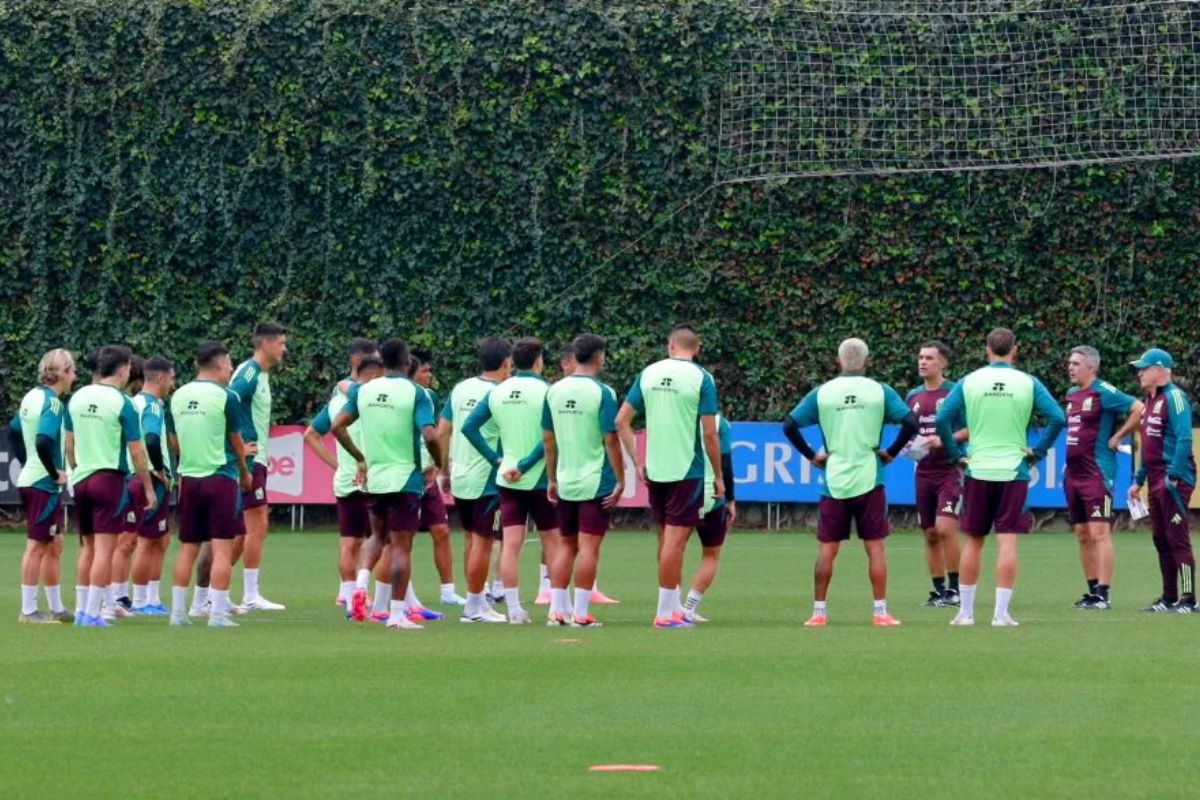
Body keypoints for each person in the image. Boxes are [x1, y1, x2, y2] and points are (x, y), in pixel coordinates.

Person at [936, 328, 1066, 627]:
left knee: (974, 540)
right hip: (1013, 470)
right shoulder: (1027, 382)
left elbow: (943, 418)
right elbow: (1058, 417)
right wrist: (1039, 451)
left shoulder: (970, 381)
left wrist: (956, 455)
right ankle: (1000, 614)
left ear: (987, 350)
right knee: (1007, 541)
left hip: (978, 468)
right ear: (1014, 350)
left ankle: (966, 613)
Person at [783, 338, 918, 627]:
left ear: (838, 360)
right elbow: (911, 423)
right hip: (871, 477)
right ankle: (880, 612)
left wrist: (812, 456)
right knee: (876, 548)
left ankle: (819, 613)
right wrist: (891, 453)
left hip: (834, 480)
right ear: (867, 362)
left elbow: (789, 425)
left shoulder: (824, 393)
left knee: (827, 549)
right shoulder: (880, 391)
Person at [331, 338, 445, 631]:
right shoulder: (417, 393)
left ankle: (359, 585)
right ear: (407, 362)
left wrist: (359, 457)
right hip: (405, 477)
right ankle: (396, 615)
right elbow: (431, 435)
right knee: (402, 548)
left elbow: (337, 426)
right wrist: (438, 462)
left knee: (377, 538)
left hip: (375, 478)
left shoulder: (365, 390)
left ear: (381, 362)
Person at [615, 324, 723, 629]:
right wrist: (718, 475)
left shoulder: (649, 373)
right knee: (676, 542)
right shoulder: (702, 377)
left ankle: (672, 606)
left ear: (670, 345)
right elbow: (710, 433)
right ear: (696, 348)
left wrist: (637, 461)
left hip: (656, 469)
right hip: (687, 469)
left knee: (666, 541)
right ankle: (665, 614)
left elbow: (621, 420)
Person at [463, 337, 559, 624]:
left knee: (511, 544)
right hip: (539, 478)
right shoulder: (547, 391)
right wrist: (527, 465)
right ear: (539, 360)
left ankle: (515, 610)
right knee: (553, 542)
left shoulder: (498, 391)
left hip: (507, 479)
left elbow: (470, 427)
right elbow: (550, 438)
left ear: (513, 362)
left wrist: (498, 461)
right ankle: (558, 608)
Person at [65, 345, 156, 627]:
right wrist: (148, 487)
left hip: (82, 479)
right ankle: (92, 613)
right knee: (105, 550)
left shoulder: (77, 397)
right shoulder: (123, 402)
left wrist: (77, 466)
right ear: (123, 369)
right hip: (109, 479)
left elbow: (69, 442)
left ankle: (81, 610)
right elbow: (137, 451)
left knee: (87, 548)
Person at [169, 342, 254, 627]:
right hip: (220, 476)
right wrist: (244, 472)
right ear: (219, 365)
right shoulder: (227, 397)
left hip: (189, 479)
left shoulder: (178, 395)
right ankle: (217, 614)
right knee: (221, 548)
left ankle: (178, 614)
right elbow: (236, 441)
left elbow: (173, 440)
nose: (232, 369)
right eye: (230, 363)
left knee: (188, 548)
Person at [543, 334, 625, 628]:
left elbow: (548, 440)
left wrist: (551, 478)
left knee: (566, 546)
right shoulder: (603, 393)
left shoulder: (554, 391)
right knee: (589, 547)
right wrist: (620, 479)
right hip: (594, 481)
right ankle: (580, 613)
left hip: (565, 479)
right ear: (599, 357)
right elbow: (611, 439)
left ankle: (556, 611)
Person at [304, 340, 384, 620]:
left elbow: (311, 434)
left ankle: (351, 599)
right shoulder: (372, 397)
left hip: (347, 481)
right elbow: (311, 435)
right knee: (382, 540)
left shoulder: (339, 399)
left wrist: (338, 466)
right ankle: (383, 601)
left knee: (350, 541)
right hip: (375, 479)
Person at [438, 338, 511, 623]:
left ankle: (477, 602)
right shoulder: (501, 393)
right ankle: (473, 607)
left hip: (461, 476)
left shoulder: (461, 388)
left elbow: (443, 430)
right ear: (506, 362)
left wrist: (444, 469)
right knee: (484, 542)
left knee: (472, 539)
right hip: (487, 480)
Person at [1063, 345, 1141, 610]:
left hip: (1098, 472)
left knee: (1100, 532)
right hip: (1072, 474)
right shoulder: (1072, 394)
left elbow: (1139, 408)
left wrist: (1118, 437)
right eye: (1070, 363)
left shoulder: (1103, 391)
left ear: (1092, 367)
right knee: (1083, 533)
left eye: (1076, 363)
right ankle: (1093, 591)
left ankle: (1105, 594)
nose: (1071, 367)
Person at [1125, 348, 1196, 612]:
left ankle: (1189, 600)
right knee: (1161, 538)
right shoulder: (1150, 401)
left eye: (1144, 368)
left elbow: (1185, 438)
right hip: (1155, 479)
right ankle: (1169, 598)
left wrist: (1174, 476)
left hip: (1172, 480)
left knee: (1177, 538)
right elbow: (1149, 448)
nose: (1140, 373)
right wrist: (1138, 480)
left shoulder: (1175, 398)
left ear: (1160, 370)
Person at [11, 349, 76, 623]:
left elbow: (14, 431)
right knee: (37, 545)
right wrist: (54, 473)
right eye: (72, 370)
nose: (75, 376)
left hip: (33, 478)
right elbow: (43, 441)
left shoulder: (31, 396)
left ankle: (57, 607)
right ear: (62, 373)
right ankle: (28, 610)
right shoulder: (53, 403)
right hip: (42, 484)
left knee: (54, 543)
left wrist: (29, 463)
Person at [229, 321, 289, 610]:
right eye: (281, 343)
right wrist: (239, 445)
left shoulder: (260, 374)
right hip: (249, 460)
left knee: (252, 528)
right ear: (265, 344)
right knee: (250, 527)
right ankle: (240, 595)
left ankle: (227, 593)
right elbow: (229, 400)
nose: (284, 349)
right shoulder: (250, 372)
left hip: (256, 459)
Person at [906, 341, 968, 607]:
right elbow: (910, 430)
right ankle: (938, 589)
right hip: (924, 471)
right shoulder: (913, 396)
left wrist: (945, 439)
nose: (923, 362)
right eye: (921, 357)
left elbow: (970, 429)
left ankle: (956, 589)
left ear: (943, 363)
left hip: (949, 470)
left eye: (929, 358)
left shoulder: (955, 393)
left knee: (945, 528)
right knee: (930, 533)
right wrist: (909, 445)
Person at [410, 349, 465, 606]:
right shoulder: (401, 397)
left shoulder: (429, 397)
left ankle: (448, 592)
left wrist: (435, 465)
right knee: (401, 537)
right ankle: (404, 595)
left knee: (441, 530)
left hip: (428, 477)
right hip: (406, 478)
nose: (429, 375)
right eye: (425, 371)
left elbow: (431, 435)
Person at [129, 357, 179, 615]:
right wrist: (159, 469)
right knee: (147, 541)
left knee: (160, 539)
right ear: (160, 378)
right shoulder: (152, 406)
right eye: (171, 378)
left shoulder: (133, 403)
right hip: (150, 478)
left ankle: (152, 597)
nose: (173, 383)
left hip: (135, 476)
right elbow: (150, 438)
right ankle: (140, 600)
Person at [682, 413, 735, 623]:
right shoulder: (720, 423)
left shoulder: (681, 419)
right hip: (711, 495)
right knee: (711, 554)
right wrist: (731, 499)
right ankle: (688, 607)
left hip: (683, 493)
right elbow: (726, 462)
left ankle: (670, 606)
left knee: (675, 548)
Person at [109, 354, 146, 615]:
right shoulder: (129, 404)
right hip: (129, 478)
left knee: (129, 541)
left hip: (130, 478)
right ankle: (114, 595)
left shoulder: (134, 403)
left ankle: (119, 595)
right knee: (122, 541)